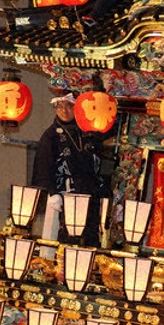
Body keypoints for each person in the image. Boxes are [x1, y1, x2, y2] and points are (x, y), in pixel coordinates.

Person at [32, 92, 111, 250]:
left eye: (69, 106)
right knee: (66, 237)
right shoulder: (50, 136)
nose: (64, 110)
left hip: (89, 192)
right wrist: (52, 192)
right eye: (60, 106)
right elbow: (43, 165)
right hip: (64, 193)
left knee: (91, 234)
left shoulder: (87, 131)